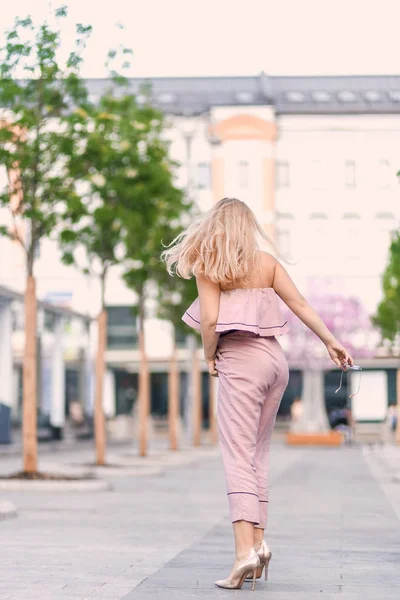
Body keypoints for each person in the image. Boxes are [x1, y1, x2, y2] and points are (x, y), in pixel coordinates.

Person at [161, 197, 354, 591]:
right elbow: (298, 304)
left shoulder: (208, 264)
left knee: (237, 455)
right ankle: (260, 543)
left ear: (214, 226)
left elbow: (211, 320)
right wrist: (330, 342)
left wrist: (210, 356)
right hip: (275, 362)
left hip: (241, 359)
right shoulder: (265, 262)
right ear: (247, 226)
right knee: (258, 455)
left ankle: (242, 554)